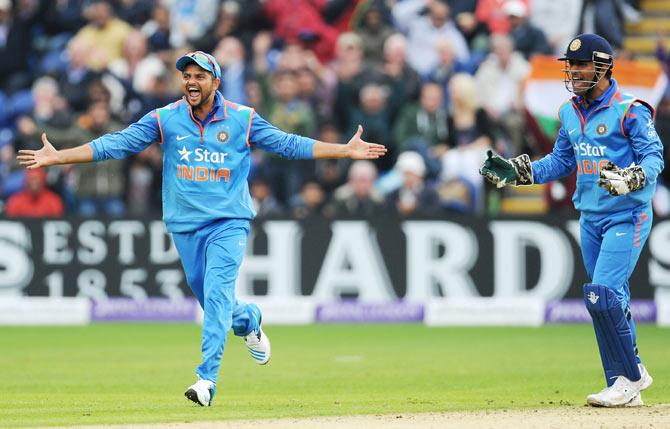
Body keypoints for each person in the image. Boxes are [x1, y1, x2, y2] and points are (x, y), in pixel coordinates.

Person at [17, 50, 387, 407]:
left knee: (215, 295)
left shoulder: (243, 118)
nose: (191, 82)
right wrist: (60, 156)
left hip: (229, 222)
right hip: (185, 225)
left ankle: (206, 379)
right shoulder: (165, 118)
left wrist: (343, 151)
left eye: (199, 76)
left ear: (216, 81)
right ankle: (249, 320)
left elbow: (288, 144)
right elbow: (117, 143)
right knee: (217, 304)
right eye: (187, 76)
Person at [479, 34, 663, 407]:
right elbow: (562, 161)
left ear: (604, 67)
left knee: (602, 295)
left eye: (582, 65)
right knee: (610, 300)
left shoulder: (631, 110)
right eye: (572, 66)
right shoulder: (568, 112)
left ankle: (628, 378)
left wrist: (631, 177)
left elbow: (655, 158)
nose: (575, 72)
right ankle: (627, 378)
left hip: (627, 214)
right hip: (590, 217)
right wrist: (518, 172)